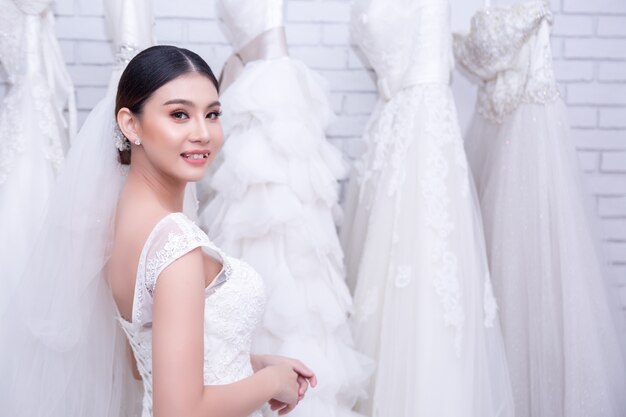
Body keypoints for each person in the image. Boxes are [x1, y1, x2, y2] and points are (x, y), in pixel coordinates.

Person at [0, 45, 315, 417]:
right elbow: (179, 411)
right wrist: (271, 383)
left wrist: (253, 364)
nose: (203, 133)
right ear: (130, 124)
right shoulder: (175, 245)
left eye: (212, 114)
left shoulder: (121, 224)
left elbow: (144, 362)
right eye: (179, 114)